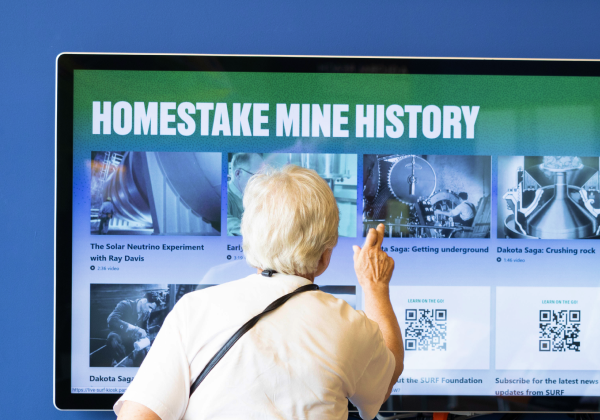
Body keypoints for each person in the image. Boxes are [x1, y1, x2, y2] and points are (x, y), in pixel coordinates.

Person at [115, 165, 404, 420]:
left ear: (250, 245)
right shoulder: (351, 327)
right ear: (325, 256)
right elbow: (388, 375)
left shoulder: (193, 311)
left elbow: (138, 415)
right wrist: (374, 285)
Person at [106, 294, 158, 367]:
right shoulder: (125, 305)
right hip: (121, 337)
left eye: (152, 309)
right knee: (112, 338)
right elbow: (111, 320)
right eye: (150, 307)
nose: (150, 311)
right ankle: (120, 364)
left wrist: (147, 344)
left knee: (143, 355)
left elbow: (145, 330)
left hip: (133, 340)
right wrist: (136, 329)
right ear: (143, 301)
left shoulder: (146, 312)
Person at [227, 153, 264, 235]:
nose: (261, 181)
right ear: (238, 174)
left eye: (262, 176)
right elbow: (227, 223)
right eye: (256, 176)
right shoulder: (223, 197)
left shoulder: (255, 196)